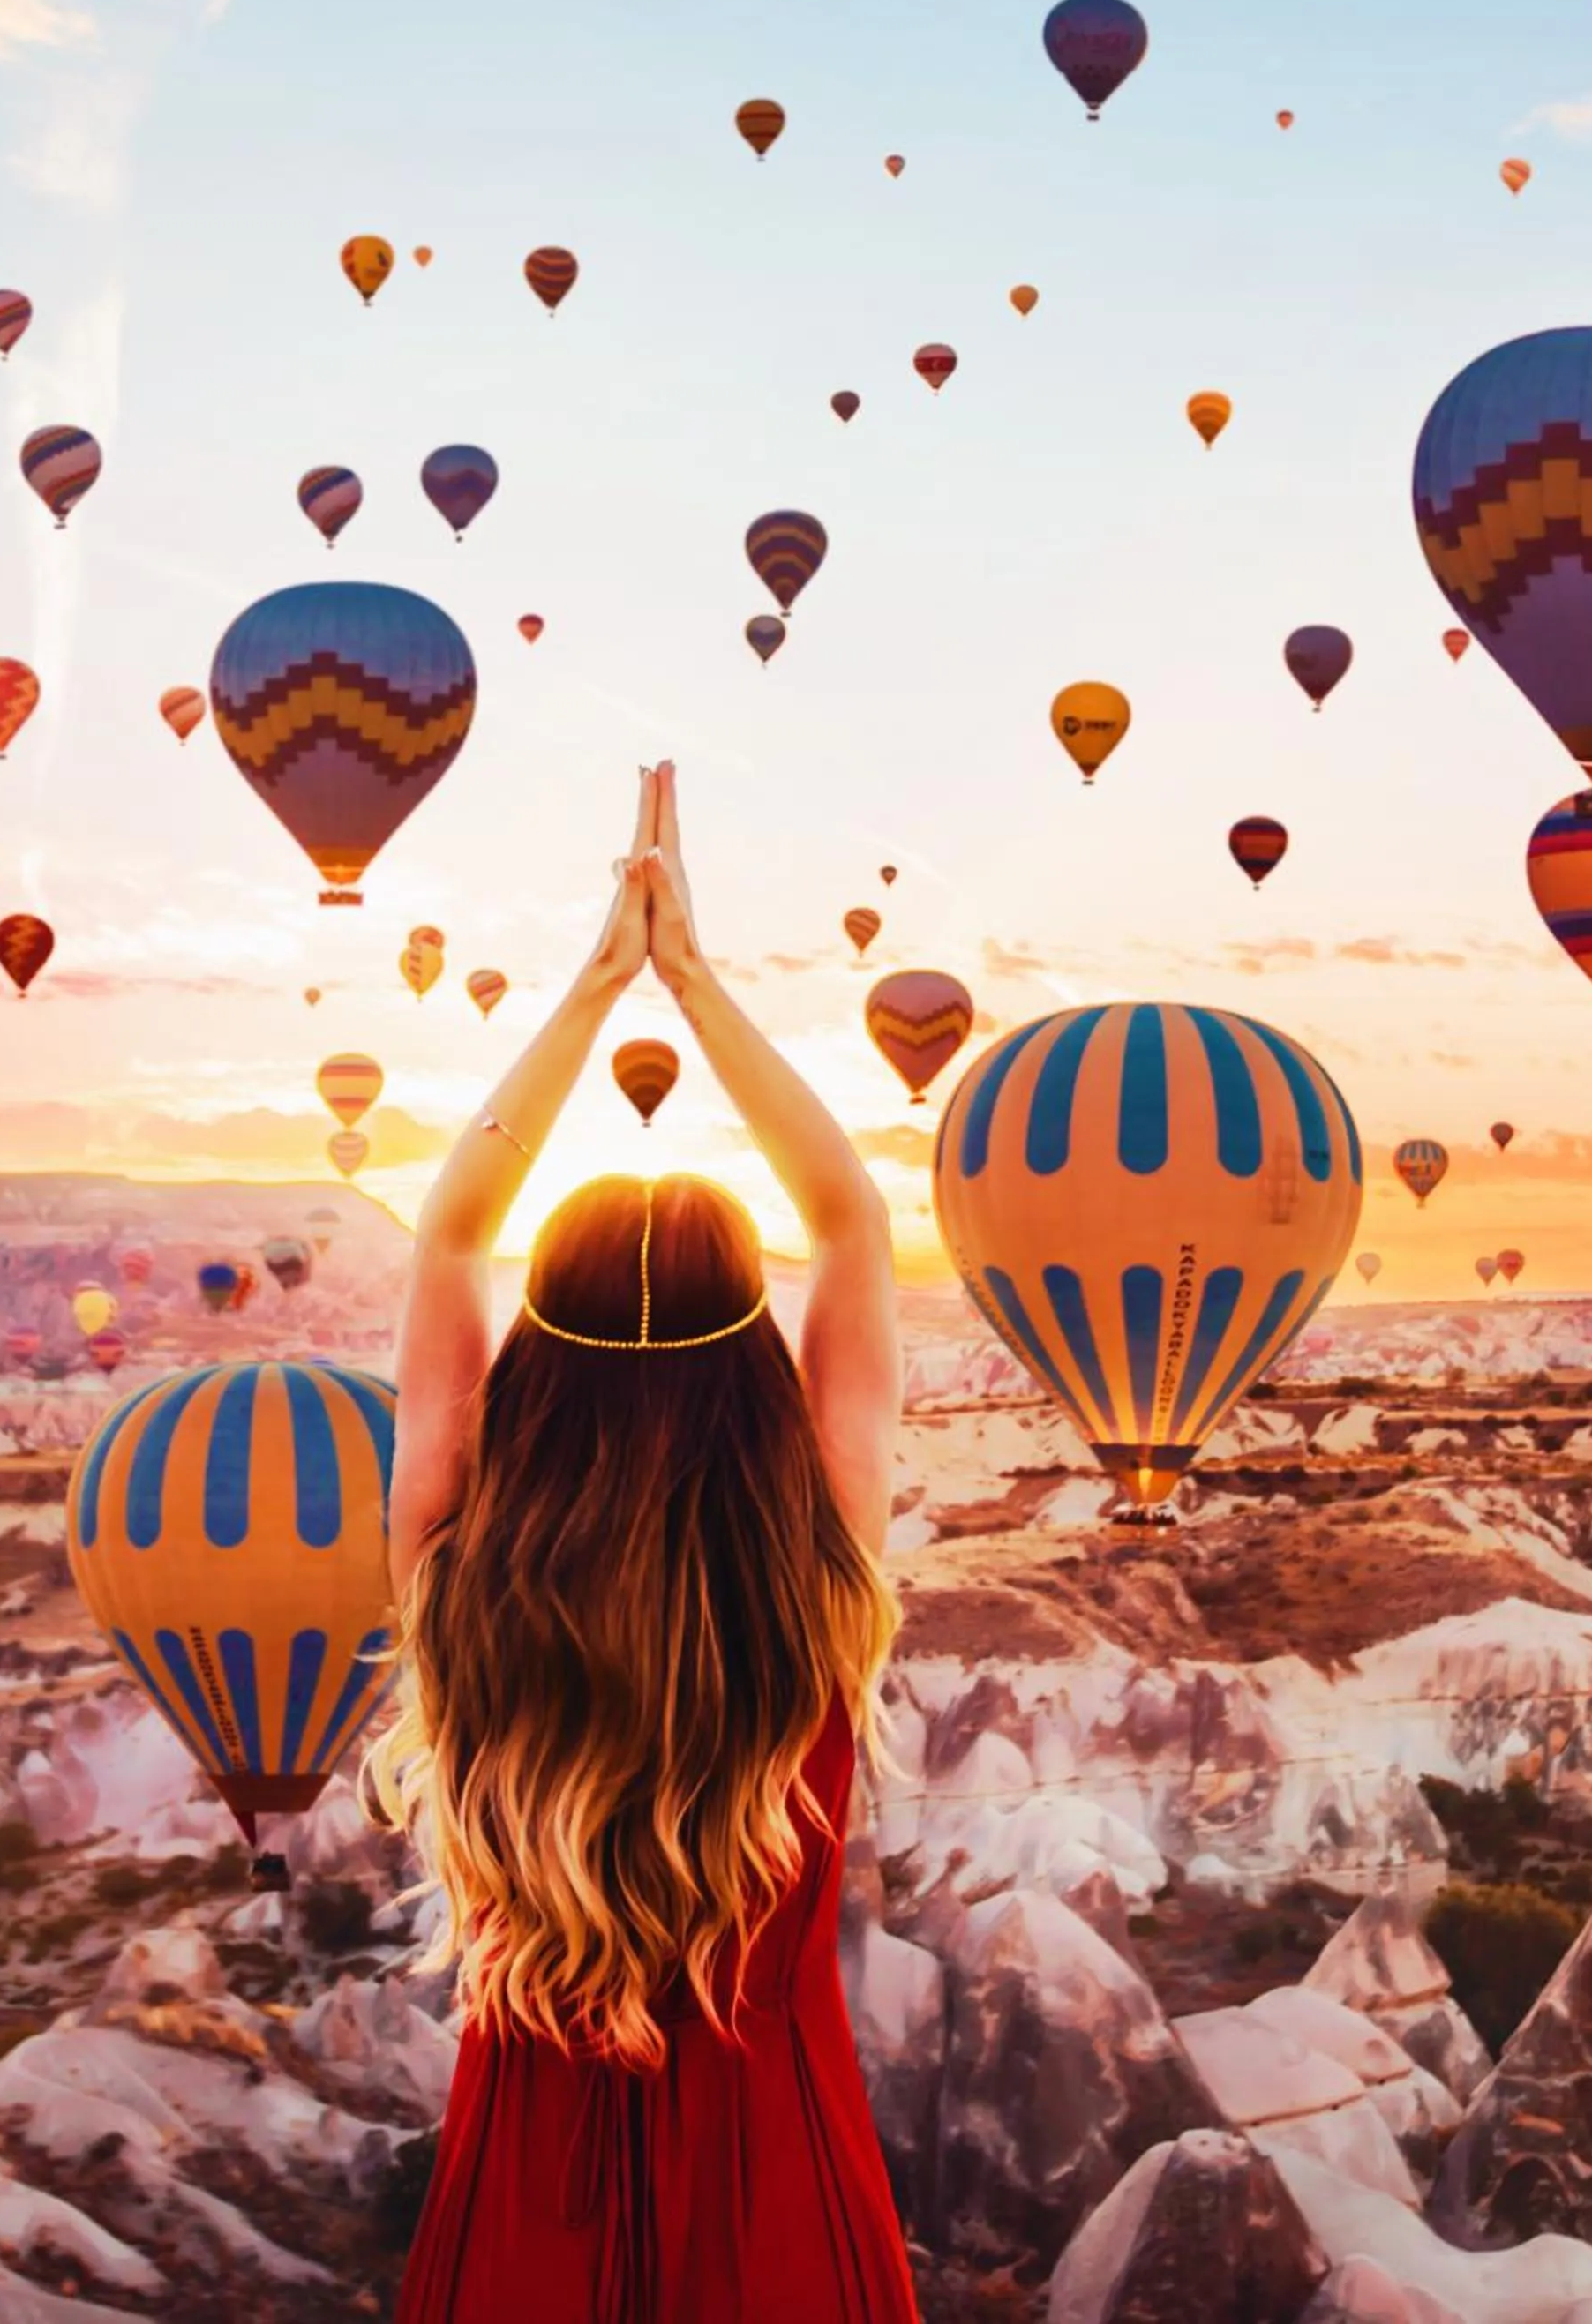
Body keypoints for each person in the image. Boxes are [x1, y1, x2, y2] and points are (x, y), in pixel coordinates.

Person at [375, 763, 916, 2323]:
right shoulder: (811, 1572)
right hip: (779, 2190)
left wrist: (598, 981)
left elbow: (450, 1235)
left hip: (522, 2199)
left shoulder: (463, 1575)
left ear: (538, 1359)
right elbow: (860, 1222)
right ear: (756, 1359)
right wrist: (695, 979)